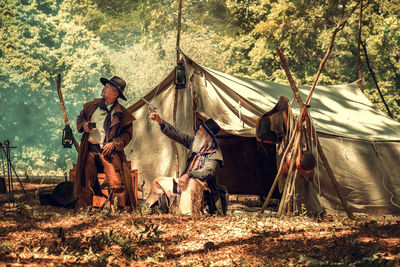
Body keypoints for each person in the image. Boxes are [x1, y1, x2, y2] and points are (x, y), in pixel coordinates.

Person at [143, 111, 228, 216]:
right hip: (185, 183)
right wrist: (160, 121)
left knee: (192, 182)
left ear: (208, 136)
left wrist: (189, 175)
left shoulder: (214, 153)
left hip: (204, 192)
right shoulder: (196, 142)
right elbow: (178, 135)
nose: (197, 132)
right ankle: (145, 210)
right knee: (158, 182)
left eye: (201, 130)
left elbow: (207, 172)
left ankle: (186, 216)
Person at [74, 76, 135, 210]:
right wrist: (84, 125)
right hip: (90, 150)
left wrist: (115, 143)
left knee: (116, 182)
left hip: (110, 152)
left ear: (115, 94)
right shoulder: (91, 106)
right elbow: (80, 119)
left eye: (107, 88)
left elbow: (127, 134)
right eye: (105, 86)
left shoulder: (122, 113)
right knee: (87, 181)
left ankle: (120, 211)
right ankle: (85, 210)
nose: (103, 89)